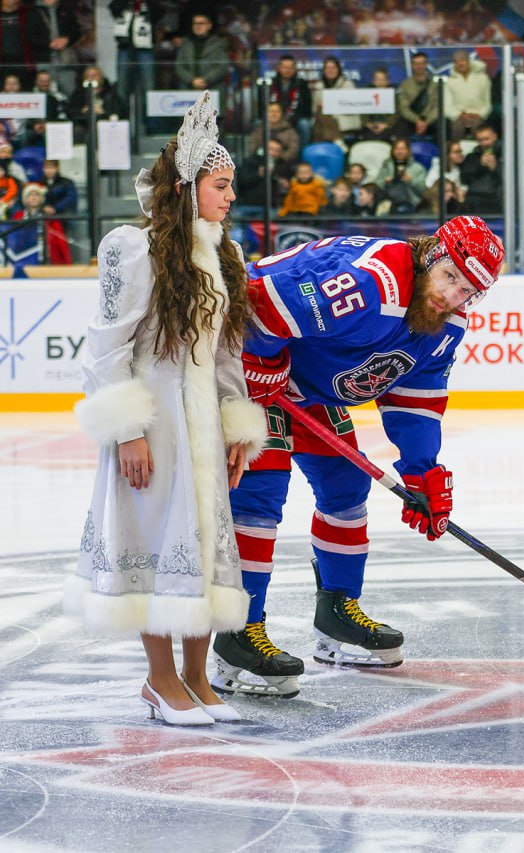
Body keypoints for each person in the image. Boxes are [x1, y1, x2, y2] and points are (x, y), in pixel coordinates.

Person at [215, 217, 504, 698]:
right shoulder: (373, 281)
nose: (453, 295)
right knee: (261, 492)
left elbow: (415, 398)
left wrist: (421, 471)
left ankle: (335, 616)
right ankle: (237, 633)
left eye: (468, 289)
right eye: (450, 276)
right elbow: (258, 299)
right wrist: (262, 364)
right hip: (248, 365)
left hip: (306, 387)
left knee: (346, 486)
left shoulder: (446, 323)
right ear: (432, 253)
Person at [66, 91, 267, 724]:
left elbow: (228, 353)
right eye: (220, 185)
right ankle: (160, 681)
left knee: (203, 546)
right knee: (155, 544)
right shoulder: (136, 248)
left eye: (232, 186)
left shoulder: (225, 255)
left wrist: (237, 423)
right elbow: (105, 349)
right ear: (186, 186)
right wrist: (129, 431)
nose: (229, 196)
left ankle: (197, 679)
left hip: (204, 421)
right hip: (153, 417)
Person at [173, 13, 231, 93]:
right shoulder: (185, 44)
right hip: (188, 90)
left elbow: (222, 67)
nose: (197, 26)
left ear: (209, 26)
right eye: (195, 23)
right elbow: (179, 66)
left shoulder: (218, 44)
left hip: (212, 89)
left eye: (201, 23)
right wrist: (192, 81)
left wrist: (205, 80)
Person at [443, 50, 492, 139]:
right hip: (459, 117)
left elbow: (487, 103)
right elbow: (447, 107)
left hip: (478, 115)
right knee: (456, 128)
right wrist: (459, 115)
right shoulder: (449, 81)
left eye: (462, 60)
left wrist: (479, 114)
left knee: (478, 128)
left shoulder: (483, 78)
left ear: (469, 61)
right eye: (456, 61)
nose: (460, 63)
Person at [375, 137, 429, 214]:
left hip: (412, 203)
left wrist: (411, 180)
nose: (399, 151)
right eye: (397, 149)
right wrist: (385, 182)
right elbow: (376, 184)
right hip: (388, 202)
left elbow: (424, 190)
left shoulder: (418, 168)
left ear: (408, 151)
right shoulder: (386, 166)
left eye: (402, 149)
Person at [396, 52, 441, 140]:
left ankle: (442, 152)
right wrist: (417, 121)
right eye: (416, 64)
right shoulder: (405, 85)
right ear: (412, 65)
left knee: (443, 124)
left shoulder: (435, 84)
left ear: (426, 64)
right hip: (412, 120)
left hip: (430, 120)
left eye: (422, 63)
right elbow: (403, 108)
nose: (419, 66)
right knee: (400, 125)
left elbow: (437, 106)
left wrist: (426, 122)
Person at [268, 54, 313, 145]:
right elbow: (263, 105)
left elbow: (307, 108)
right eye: (285, 67)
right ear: (279, 68)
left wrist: (292, 119)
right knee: (257, 123)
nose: (287, 70)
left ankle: (302, 155)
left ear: (295, 69)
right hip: (273, 117)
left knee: (304, 125)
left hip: (295, 118)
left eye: (290, 68)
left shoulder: (302, 84)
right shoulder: (270, 83)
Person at [459, 123, 502, 214]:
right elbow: (464, 178)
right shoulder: (471, 157)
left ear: (495, 136)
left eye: (486, 139)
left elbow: (512, 179)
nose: (484, 143)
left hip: (498, 199)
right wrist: (479, 165)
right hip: (475, 200)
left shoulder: (505, 154)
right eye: (480, 140)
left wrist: (495, 167)